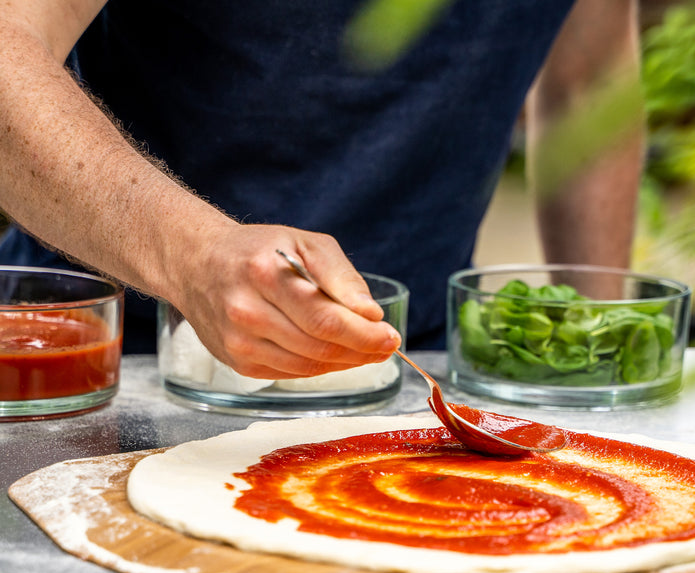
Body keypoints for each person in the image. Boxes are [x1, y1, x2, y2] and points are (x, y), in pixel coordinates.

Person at [0, 0, 642, 380]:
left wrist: (601, 351)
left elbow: (589, 78)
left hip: (418, 367)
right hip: (97, 356)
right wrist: (191, 255)